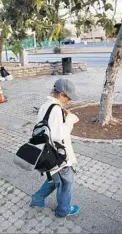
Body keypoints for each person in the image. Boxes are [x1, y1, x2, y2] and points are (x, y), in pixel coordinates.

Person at [30, 78, 80, 218]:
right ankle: (63, 210)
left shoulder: (46, 105)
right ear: (61, 94)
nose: (69, 101)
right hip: (57, 155)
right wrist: (70, 120)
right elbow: (59, 136)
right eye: (68, 97)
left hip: (45, 153)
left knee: (54, 179)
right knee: (66, 182)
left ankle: (37, 199)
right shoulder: (56, 109)